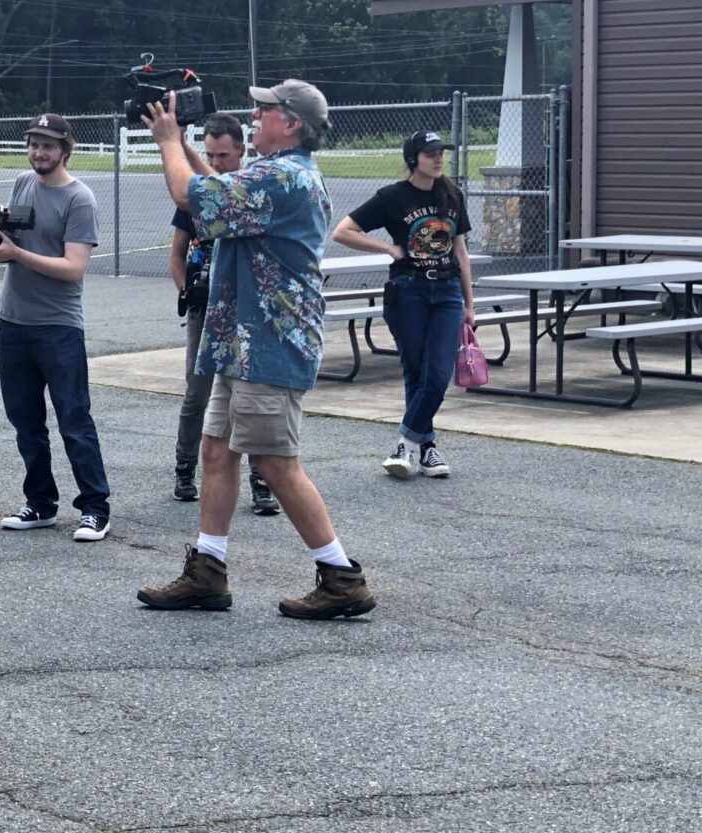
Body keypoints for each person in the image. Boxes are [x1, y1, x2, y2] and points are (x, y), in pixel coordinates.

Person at [137, 81, 375, 621]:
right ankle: (208, 571)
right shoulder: (273, 174)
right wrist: (186, 148)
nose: (254, 113)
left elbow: (190, 196)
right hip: (241, 341)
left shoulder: (284, 176)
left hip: (268, 342)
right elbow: (218, 186)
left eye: (264, 109)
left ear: (290, 123)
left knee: (275, 461)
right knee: (217, 450)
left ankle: (341, 576)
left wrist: (168, 140)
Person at [0, 113, 112, 542]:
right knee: (25, 421)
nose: (40, 152)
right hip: (13, 321)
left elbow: (73, 268)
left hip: (58, 326)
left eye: (48, 146)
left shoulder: (80, 199)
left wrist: (16, 255)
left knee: (74, 420)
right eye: (34, 144)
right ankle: (40, 502)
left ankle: (95, 507)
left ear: (64, 149)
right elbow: (13, 236)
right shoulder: (23, 183)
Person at [332, 131, 475, 479]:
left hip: (446, 293)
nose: (438, 159)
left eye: (441, 153)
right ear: (414, 159)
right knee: (415, 370)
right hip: (407, 292)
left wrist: (470, 304)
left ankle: (405, 444)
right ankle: (427, 450)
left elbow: (460, 251)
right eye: (430, 154)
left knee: (439, 374)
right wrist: (388, 249)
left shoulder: (452, 195)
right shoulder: (393, 197)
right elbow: (343, 231)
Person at [167, 112, 280, 516]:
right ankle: (185, 469)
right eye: (210, 156)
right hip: (205, 306)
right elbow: (176, 256)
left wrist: (180, 147)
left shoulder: (247, 192)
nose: (216, 165)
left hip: (244, 309)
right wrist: (188, 289)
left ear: (241, 152)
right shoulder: (195, 198)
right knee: (197, 392)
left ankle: (261, 481)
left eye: (224, 156)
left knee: (248, 396)